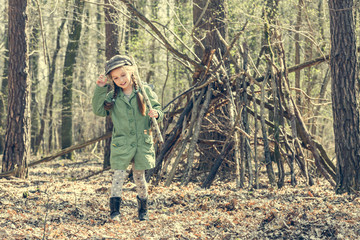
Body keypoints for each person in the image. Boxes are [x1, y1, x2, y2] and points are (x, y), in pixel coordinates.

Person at [92, 55, 163, 221]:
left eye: (123, 75)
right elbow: (99, 110)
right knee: (118, 177)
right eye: (115, 78)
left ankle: (143, 210)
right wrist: (100, 89)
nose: (120, 80)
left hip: (141, 143)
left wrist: (157, 114)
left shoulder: (145, 92)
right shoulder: (112, 97)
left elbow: (159, 109)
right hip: (121, 144)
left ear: (131, 72)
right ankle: (115, 212)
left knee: (139, 177)